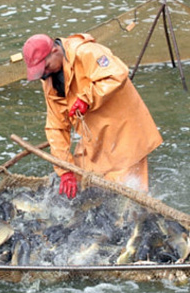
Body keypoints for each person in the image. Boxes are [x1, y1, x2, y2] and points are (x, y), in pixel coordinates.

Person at [22, 33, 163, 199]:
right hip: (93, 135)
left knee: (128, 196)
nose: (44, 73)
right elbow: (56, 126)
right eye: (40, 71)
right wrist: (64, 170)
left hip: (124, 131)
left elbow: (117, 74)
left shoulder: (86, 52)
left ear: (55, 50)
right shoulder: (49, 80)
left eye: (45, 67)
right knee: (82, 188)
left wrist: (86, 99)